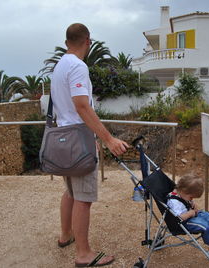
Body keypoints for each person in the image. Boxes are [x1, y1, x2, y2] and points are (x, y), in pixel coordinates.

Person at [52, 23, 129, 267]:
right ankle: (84, 254)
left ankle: (66, 235)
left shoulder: (60, 66)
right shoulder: (77, 66)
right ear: (88, 41)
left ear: (67, 42)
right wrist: (108, 139)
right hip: (79, 139)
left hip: (63, 137)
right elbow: (82, 106)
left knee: (71, 192)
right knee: (83, 198)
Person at [167, 174, 209, 257]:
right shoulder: (174, 203)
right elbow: (178, 218)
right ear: (184, 191)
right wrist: (190, 213)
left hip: (191, 215)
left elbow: (185, 201)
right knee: (204, 226)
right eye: (191, 197)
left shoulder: (182, 194)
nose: (192, 199)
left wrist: (191, 204)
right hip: (183, 223)